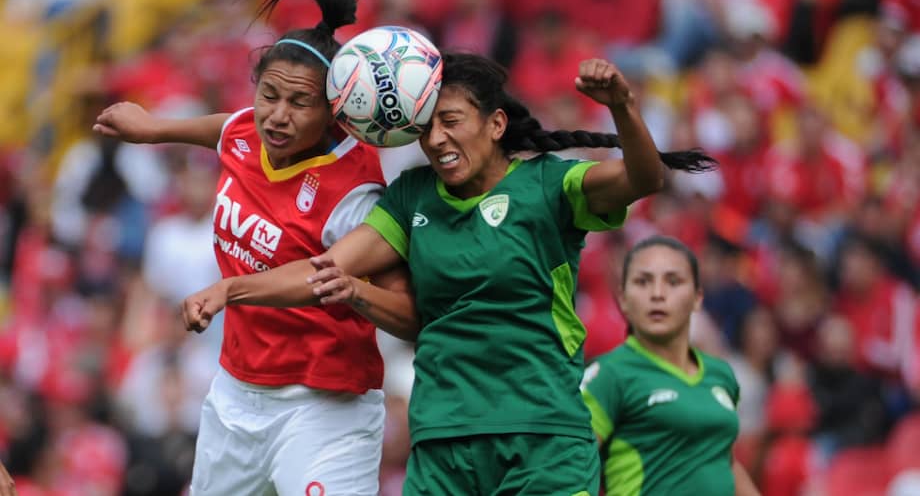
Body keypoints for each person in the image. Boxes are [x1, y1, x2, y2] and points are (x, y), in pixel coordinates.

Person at [181, 52, 718, 494]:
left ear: (496, 124)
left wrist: (622, 106)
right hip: (443, 441)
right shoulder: (411, 196)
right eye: (426, 127)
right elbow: (324, 269)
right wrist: (233, 290)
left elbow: (645, 179)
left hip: (542, 435)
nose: (436, 139)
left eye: (451, 121)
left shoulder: (549, 186)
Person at [93, 0, 407, 496]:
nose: (277, 116)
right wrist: (153, 129)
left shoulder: (356, 190)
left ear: (335, 112)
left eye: (299, 102)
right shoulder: (247, 133)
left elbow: (393, 304)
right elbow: (228, 126)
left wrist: (229, 291)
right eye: (269, 95)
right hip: (235, 395)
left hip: (324, 405)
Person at [580, 235, 760, 496]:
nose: (657, 294)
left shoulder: (720, 374)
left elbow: (722, 458)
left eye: (673, 281)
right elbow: (568, 465)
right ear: (623, 299)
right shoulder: (607, 375)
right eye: (643, 282)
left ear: (698, 297)